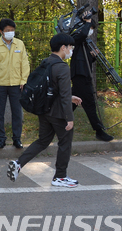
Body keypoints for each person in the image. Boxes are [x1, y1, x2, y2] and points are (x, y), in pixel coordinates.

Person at [7, 33, 82, 188]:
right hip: (58, 113)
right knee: (65, 142)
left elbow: (52, 89)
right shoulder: (62, 67)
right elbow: (63, 93)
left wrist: (70, 97)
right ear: (63, 47)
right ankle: (60, 176)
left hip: (44, 110)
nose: (71, 50)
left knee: (43, 141)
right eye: (70, 47)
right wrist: (69, 117)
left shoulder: (46, 62)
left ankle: (18, 163)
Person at [0, 18, 30, 149]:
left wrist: (23, 81)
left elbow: (25, 64)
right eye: (7, 30)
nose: (10, 32)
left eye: (12, 30)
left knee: (17, 112)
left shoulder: (20, 44)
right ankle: (1, 139)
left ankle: (17, 138)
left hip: (17, 84)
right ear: (1, 31)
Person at [70, 17, 113, 142]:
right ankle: (99, 131)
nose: (90, 31)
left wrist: (93, 56)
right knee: (89, 103)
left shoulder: (85, 42)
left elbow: (85, 59)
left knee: (73, 101)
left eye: (92, 28)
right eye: (90, 28)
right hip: (80, 75)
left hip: (83, 75)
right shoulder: (77, 37)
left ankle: (57, 121)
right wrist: (88, 23)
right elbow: (83, 33)